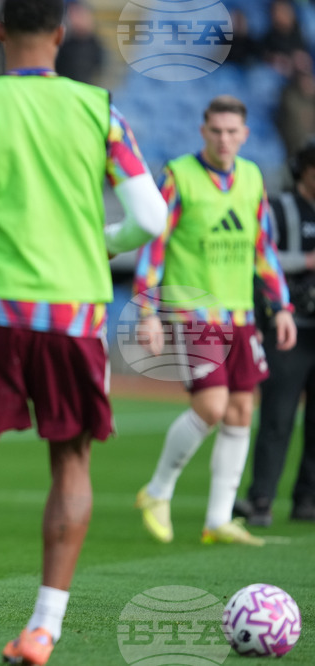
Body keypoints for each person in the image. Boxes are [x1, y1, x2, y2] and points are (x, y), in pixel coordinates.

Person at [0, 0, 167, 663]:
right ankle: (42, 630)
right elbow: (151, 217)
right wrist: (101, 242)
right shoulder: (100, 111)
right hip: (75, 315)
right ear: (60, 33)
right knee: (71, 464)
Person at [133, 96, 297, 552]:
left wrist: (280, 305)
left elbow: (262, 246)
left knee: (242, 412)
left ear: (244, 135)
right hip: (196, 312)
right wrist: (149, 312)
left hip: (242, 313)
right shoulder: (178, 176)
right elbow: (155, 243)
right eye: (216, 131)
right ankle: (158, 491)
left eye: (233, 132)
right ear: (203, 131)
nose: (224, 139)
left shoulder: (252, 177)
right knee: (212, 407)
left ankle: (218, 519)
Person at [235, 143, 315, 526]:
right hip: (290, 328)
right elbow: (258, 253)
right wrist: (305, 261)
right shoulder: (280, 208)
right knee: (277, 416)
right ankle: (261, 498)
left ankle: (307, 500)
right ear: (303, 169)